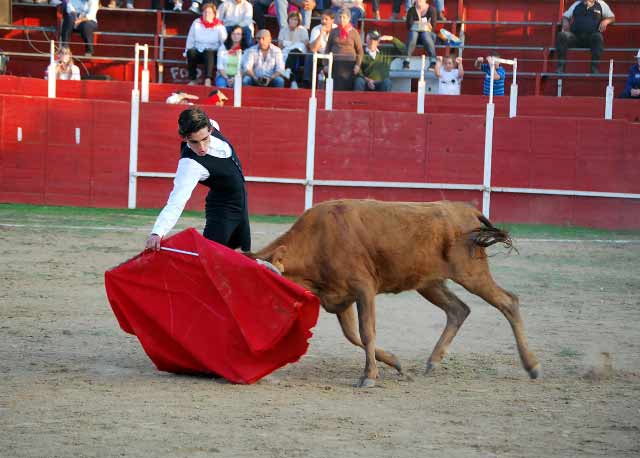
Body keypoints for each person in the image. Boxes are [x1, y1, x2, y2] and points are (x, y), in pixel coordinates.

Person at [145, 107, 251, 252]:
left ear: (210, 129)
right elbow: (177, 200)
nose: (201, 148)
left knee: (243, 255)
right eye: (194, 142)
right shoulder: (190, 164)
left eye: (204, 139)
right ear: (185, 138)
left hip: (241, 205)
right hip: (222, 210)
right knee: (210, 257)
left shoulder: (213, 125)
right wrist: (158, 232)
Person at [555, 0, 615, 74]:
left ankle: (594, 68)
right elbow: (565, 16)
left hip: (591, 38)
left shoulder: (601, 4)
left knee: (598, 37)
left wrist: (606, 21)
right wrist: (565, 21)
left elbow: (612, 17)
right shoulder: (577, 4)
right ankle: (561, 67)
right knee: (562, 35)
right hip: (575, 37)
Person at [184, 2, 228, 87]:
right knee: (190, 52)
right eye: (205, 12)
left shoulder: (219, 25)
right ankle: (193, 79)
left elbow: (224, 42)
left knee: (209, 52)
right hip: (199, 51)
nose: (207, 14)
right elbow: (190, 39)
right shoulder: (196, 23)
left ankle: (208, 79)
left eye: (209, 12)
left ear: (214, 14)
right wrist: (186, 52)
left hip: (213, 54)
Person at [325, 8, 363, 91]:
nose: (342, 19)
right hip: (335, 64)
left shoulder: (354, 32)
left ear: (349, 19)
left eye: (344, 17)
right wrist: (326, 64)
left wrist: (357, 65)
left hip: (349, 64)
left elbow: (360, 51)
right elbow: (327, 48)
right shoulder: (333, 31)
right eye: (340, 17)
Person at [302, 9, 337, 87]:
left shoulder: (336, 29)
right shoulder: (316, 29)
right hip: (320, 56)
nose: (323, 21)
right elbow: (313, 49)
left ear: (332, 20)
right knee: (310, 54)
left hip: (334, 56)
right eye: (322, 19)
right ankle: (307, 82)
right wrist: (321, 33)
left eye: (326, 19)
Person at [277, 10, 309, 87]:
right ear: (288, 20)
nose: (293, 21)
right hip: (287, 54)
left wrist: (289, 44)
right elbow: (280, 46)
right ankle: (293, 81)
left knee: (296, 49)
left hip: (300, 54)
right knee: (291, 54)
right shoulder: (283, 30)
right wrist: (288, 44)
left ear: (298, 21)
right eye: (291, 19)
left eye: (295, 20)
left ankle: (288, 69)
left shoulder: (303, 30)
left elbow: (306, 44)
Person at [402, 0, 437, 70]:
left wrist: (417, 23)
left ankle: (433, 61)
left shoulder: (431, 9)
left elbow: (433, 26)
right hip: (415, 37)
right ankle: (406, 61)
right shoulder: (411, 10)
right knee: (413, 34)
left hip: (428, 35)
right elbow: (409, 26)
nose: (419, 0)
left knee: (425, 35)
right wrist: (423, 24)